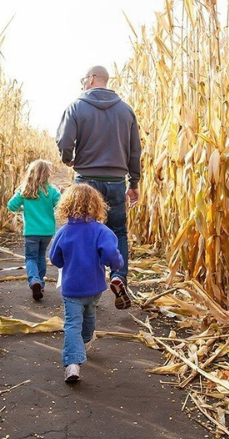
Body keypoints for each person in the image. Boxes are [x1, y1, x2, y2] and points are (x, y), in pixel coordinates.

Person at [55, 65, 141, 309]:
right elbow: (135, 150)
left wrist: (67, 158)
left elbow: (64, 140)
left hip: (85, 180)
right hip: (116, 181)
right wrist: (134, 182)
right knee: (117, 231)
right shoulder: (126, 110)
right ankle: (118, 276)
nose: (83, 84)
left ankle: (82, 289)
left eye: (84, 80)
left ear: (92, 79)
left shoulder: (76, 106)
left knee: (80, 231)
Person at [49, 184, 124, 383]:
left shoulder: (64, 232)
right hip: (95, 286)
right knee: (90, 314)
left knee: (73, 322)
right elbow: (112, 256)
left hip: (72, 287)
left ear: (67, 206)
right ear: (97, 205)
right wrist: (117, 265)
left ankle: (73, 363)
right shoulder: (102, 231)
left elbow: (55, 259)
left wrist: (67, 260)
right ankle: (83, 343)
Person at [7, 160, 61, 300]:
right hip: (47, 231)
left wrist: (23, 208)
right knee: (41, 256)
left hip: (31, 231)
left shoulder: (24, 191)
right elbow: (61, 205)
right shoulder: (52, 191)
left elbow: (11, 206)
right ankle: (41, 283)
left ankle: (34, 280)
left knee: (31, 258)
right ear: (47, 174)